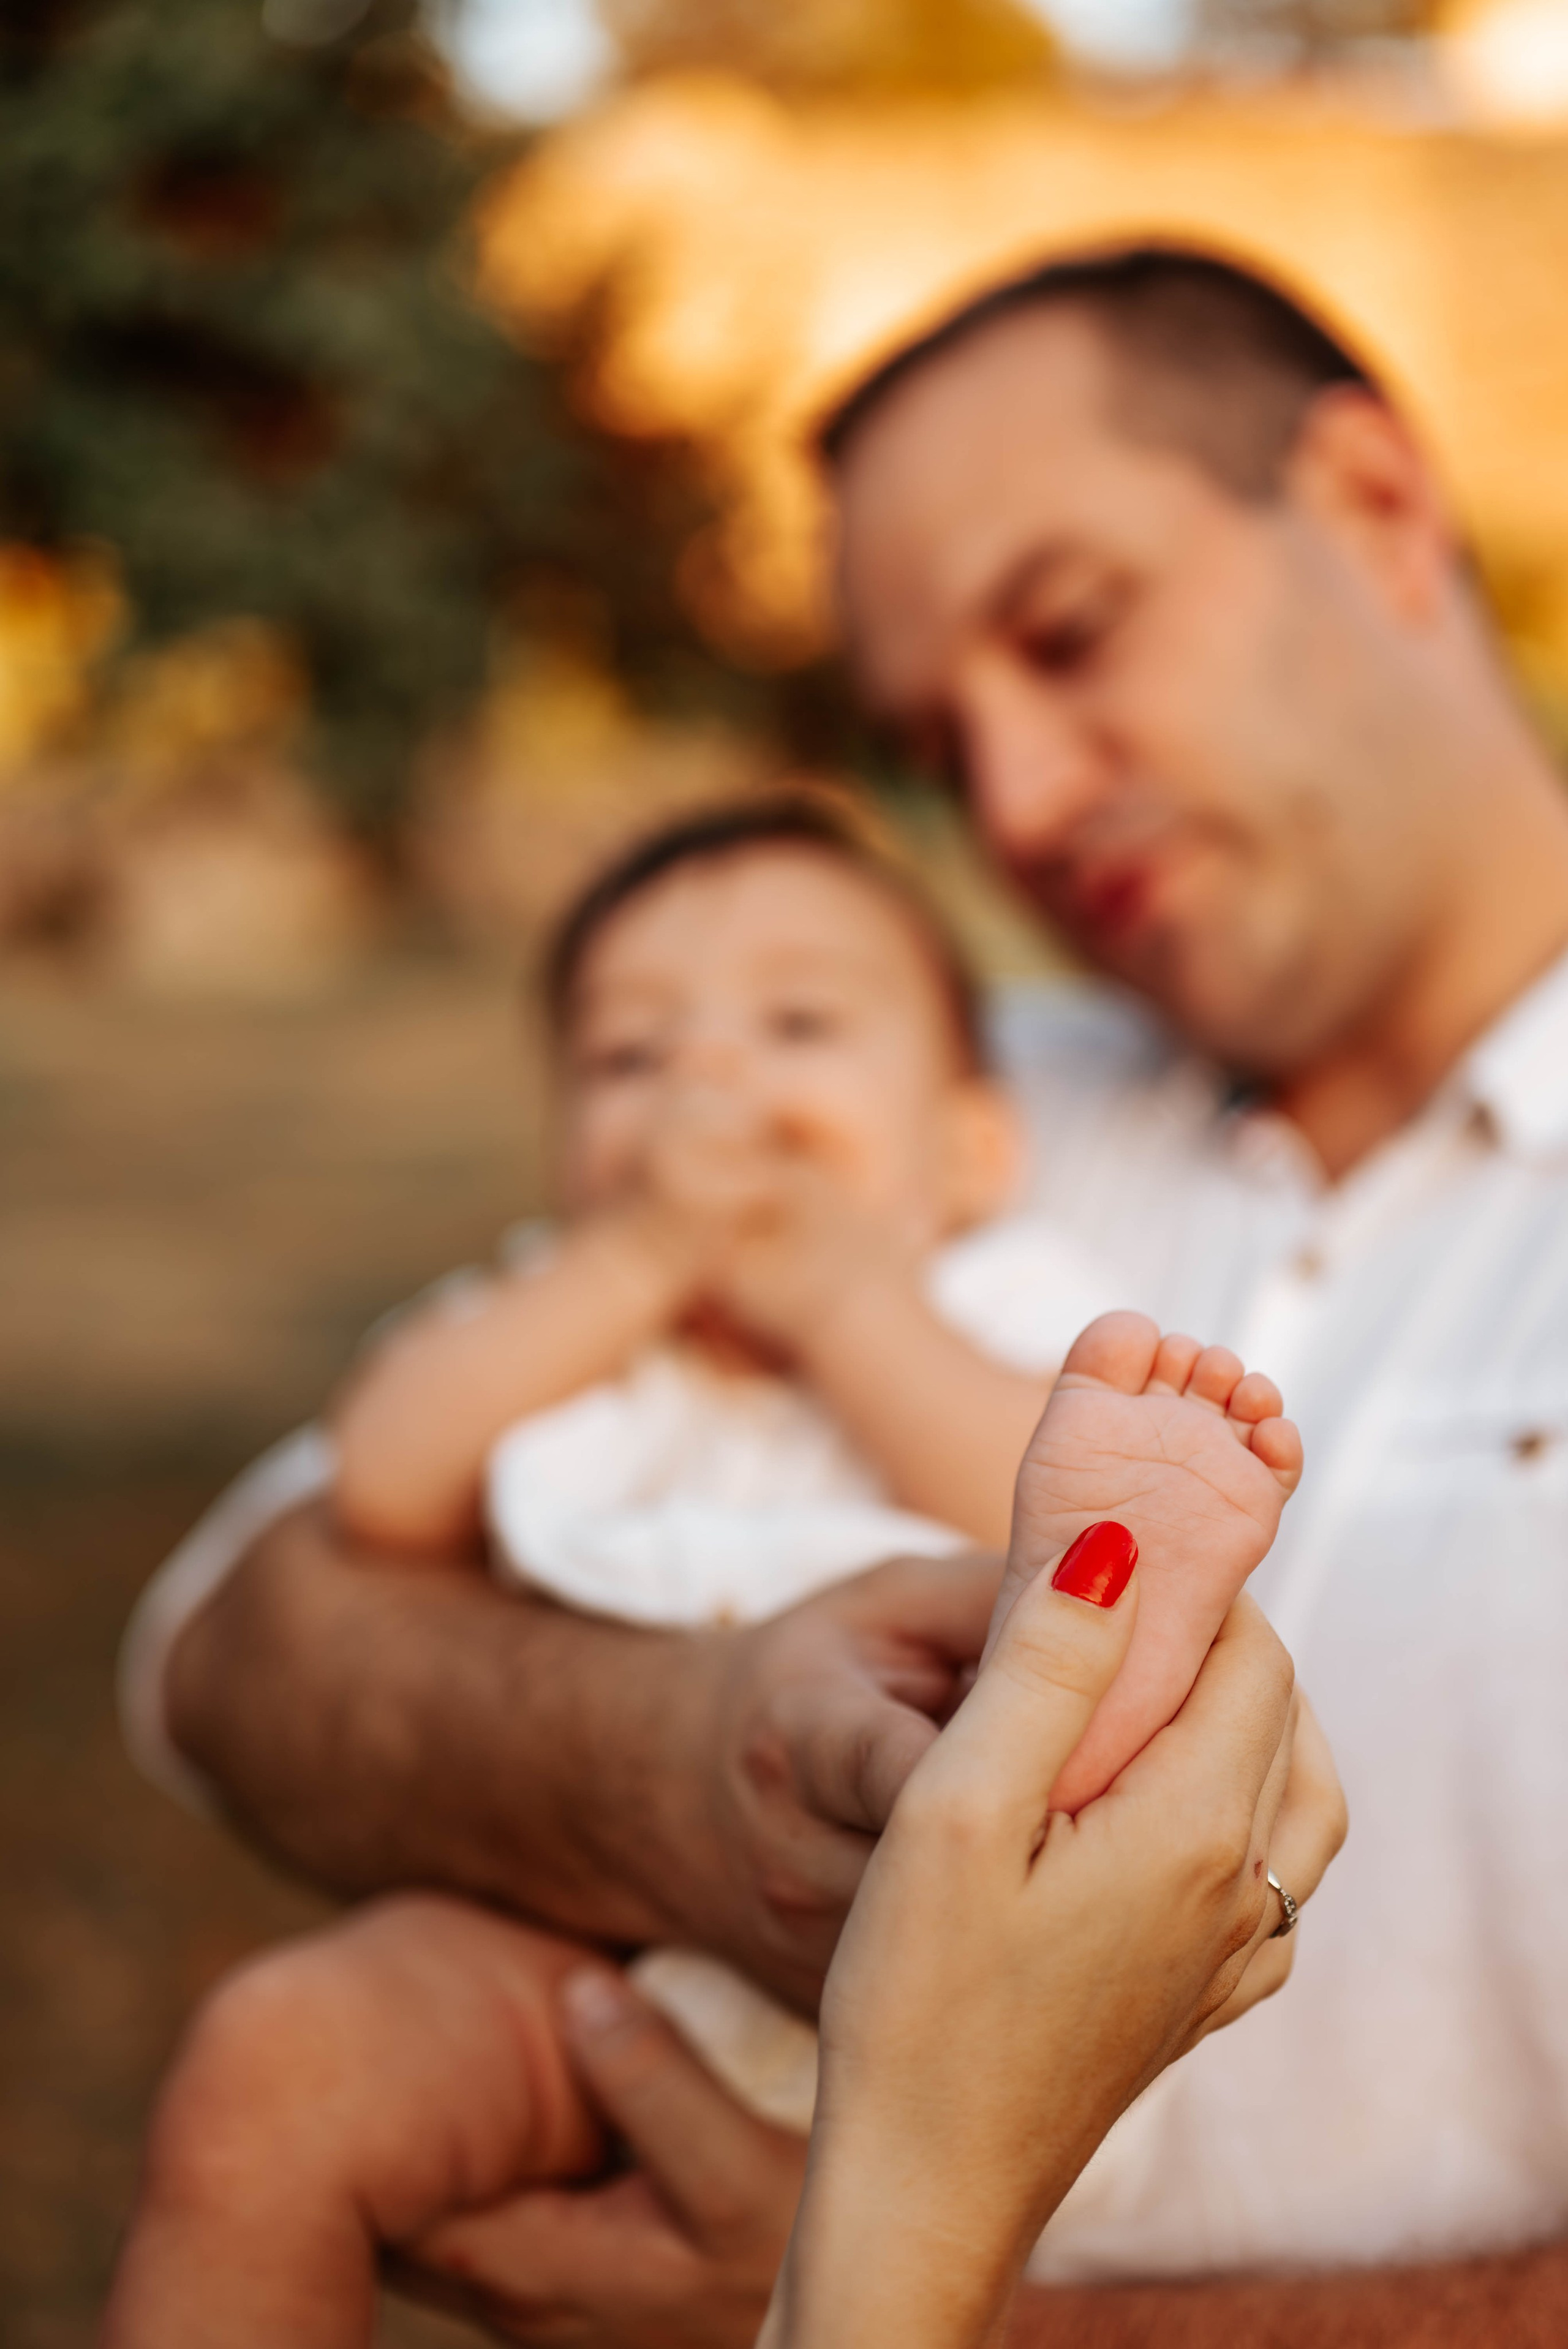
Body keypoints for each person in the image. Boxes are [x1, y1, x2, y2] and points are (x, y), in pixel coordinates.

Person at [121, 237, 1568, 2339]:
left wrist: (910, 2290)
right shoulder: (909, 1076)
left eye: (1070, 631)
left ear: (1368, 502)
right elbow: (248, 1636)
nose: (1020, 807)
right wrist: (686, 1760)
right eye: (938, 744)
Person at [104, 1307, 1316, 2347]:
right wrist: (624, 1268)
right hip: (582, 1950)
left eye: (797, 1059)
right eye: (632, 1095)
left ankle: (1089, 1681)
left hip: (963, 1944)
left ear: (970, 1146)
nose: (721, 1125)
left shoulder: (988, 1289)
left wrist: (840, 1302)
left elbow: (993, 1476)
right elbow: (375, 1486)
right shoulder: (553, 1312)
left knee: (1005, 1717)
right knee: (273, 2063)